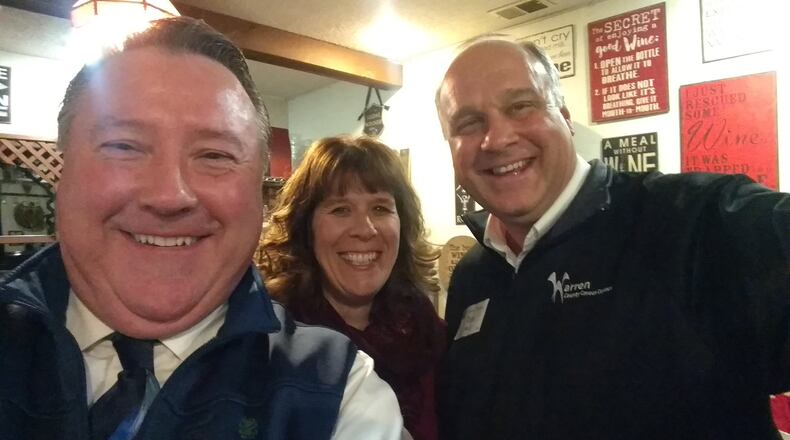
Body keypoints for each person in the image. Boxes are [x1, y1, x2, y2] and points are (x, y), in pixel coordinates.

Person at [0, 17, 403, 439]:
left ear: (259, 197)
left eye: (215, 155)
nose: (169, 195)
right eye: (123, 146)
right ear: (62, 177)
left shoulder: (338, 394)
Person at [434, 39, 790, 440]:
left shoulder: (694, 223)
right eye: (468, 123)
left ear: (564, 117)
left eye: (520, 106)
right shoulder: (473, 275)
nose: (496, 139)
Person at [259, 136, 446, 440]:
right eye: (341, 209)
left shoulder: (425, 327)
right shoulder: (271, 339)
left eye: (381, 208)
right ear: (305, 227)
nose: (365, 229)